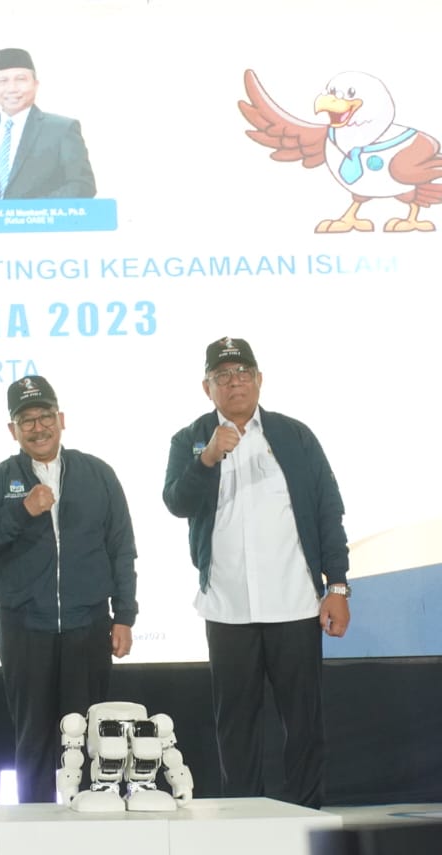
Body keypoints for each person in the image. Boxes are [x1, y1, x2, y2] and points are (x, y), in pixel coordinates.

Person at [162, 337, 351, 808]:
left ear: (259, 380)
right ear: (207, 387)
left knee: (303, 723)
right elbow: (177, 502)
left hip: (295, 603)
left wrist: (337, 586)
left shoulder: (295, 435)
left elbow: (328, 511)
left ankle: (306, 815)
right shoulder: (190, 439)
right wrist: (207, 459)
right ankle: (243, 821)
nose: (235, 383)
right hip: (228, 607)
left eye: (243, 373)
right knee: (236, 728)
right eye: (222, 376)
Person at [0, 376, 137, 804]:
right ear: (12, 429)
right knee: (33, 735)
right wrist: (22, 511)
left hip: (88, 625)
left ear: (61, 419)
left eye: (45, 417)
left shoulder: (98, 474)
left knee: (90, 736)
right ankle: (32, 825)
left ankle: (90, 818)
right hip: (25, 629)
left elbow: (121, 547)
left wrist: (125, 616)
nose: (38, 428)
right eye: (27, 420)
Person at [0, 48, 96, 199]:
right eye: (3, 81)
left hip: (41, 215)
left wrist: (32, 209)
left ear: (36, 84)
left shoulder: (62, 130)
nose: (12, 89)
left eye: (20, 79)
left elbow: (82, 186)